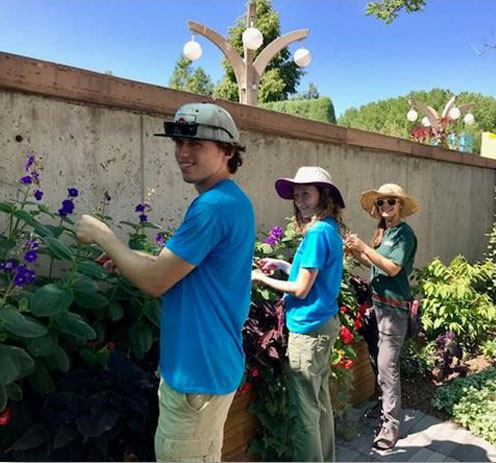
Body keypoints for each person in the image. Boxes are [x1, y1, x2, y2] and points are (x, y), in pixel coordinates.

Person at [75, 103, 255, 462]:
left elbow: (157, 280)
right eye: (178, 143)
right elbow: (175, 268)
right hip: (209, 366)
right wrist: (131, 260)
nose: (182, 153)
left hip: (196, 373)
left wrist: (103, 235)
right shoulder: (231, 201)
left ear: (228, 151)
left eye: (196, 144)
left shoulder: (211, 208)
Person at [251, 166, 345, 462]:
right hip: (324, 325)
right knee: (319, 404)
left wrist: (261, 278)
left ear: (323, 195)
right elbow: (312, 276)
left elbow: (302, 289)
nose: (300, 200)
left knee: (304, 413)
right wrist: (279, 266)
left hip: (308, 330)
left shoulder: (317, 232)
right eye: (296, 195)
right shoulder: (328, 228)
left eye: (306, 193)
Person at [345, 183, 419, 451]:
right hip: (377, 304)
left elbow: (390, 268)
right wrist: (358, 253)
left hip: (394, 308)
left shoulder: (404, 234)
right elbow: (375, 265)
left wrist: (364, 247)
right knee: (378, 360)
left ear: (400, 205)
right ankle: (386, 406)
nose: (385, 207)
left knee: (388, 365)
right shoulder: (383, 232)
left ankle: (391, 424)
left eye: (391, 202)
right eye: (381, 203)